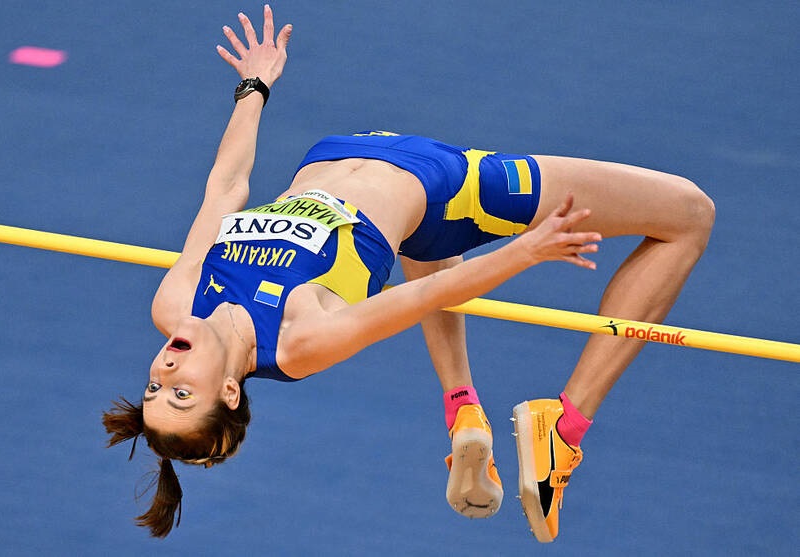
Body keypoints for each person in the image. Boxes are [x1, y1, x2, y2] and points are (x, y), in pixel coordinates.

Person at [102, 5, 715, 541]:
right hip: (450, 187)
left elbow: (225, 188)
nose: (164, 373)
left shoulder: (176, 303)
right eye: (182, 394)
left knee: (418, 244)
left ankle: (463, 409)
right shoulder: (297, 341)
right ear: (230, 393)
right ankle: (565, 426)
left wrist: (254, 86)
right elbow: (431, 293)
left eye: (155, 389)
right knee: (689, 214)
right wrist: (528, 251)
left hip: (349, 161)